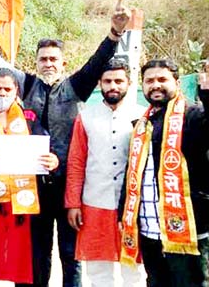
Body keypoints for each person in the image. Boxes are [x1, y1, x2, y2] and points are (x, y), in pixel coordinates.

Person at [0, 0, 131, 287]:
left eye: (53, 59)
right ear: (35, 62)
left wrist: (115, 34)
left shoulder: (75, 87)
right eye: (43, 59)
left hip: (68, 185)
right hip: (32, 187)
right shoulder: (28, 84)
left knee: (71, 256)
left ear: (63, 63)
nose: (48, 64)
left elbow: (97, 63)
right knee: (39, 254)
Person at [0, 68, 59, 286]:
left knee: (22, 258)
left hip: (21, 201)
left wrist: (52, 161)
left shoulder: (30, 119)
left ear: (17, 92)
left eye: (8, 89)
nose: (2, 94)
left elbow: (46, 150)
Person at [118, 59, 209, 286]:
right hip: (150, 233)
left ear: (177, 83)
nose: (155, 85)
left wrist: (207, 91)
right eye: (149, 81)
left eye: (162, 79)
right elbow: (134, 173)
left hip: (189, 231)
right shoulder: (141, 125)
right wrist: (124, 211)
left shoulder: (193, 117)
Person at [64, 58, 146, 286]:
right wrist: (73, 203)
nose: (113, 86)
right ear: (100, 83)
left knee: (134, 269)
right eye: (108, 81)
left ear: (129, 84)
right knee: (98, 270)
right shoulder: (86, 117)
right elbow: (76, 163)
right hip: (94, 202)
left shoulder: (142, 117)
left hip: (133, 206)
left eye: (119, 81)